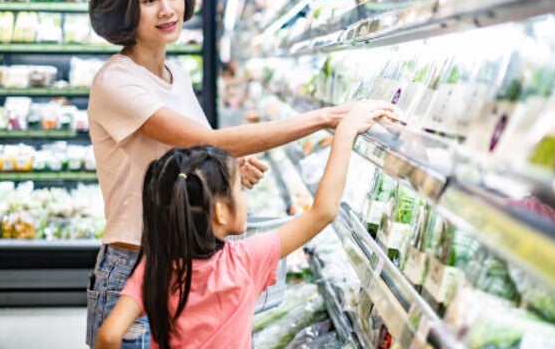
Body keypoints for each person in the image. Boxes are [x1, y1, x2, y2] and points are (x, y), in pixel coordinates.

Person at [85, 0, 377, 348]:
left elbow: (195, 156)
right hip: (136, 264)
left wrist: (227, 172)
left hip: (181, 263)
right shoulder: (116, 81)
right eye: (149, 0)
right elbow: (210, 140)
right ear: (123, 8)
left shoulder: (176, 74)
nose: (168, 9)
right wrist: (325, 118)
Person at [94, 100, 391, 349]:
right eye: (238, 190)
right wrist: (346, 132)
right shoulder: (245, 260)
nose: (245, 198)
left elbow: (108, 335)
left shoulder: (156, 266)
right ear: (220, 213)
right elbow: (323, 211)